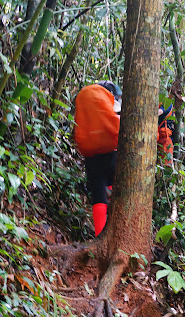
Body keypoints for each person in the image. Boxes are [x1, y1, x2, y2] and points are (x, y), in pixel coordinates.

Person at [74, 80, 122, 237]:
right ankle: (118, 233)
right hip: (111, 152)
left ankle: (100, 236)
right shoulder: (108, 99)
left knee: (98, 194)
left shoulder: (84, 96)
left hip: (91, 154)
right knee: (116, 184)